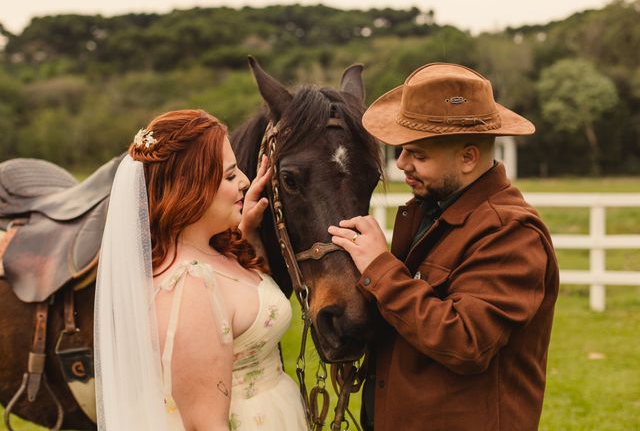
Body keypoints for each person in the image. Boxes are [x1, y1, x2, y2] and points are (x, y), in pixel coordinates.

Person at [328, 63, 559, 431]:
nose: (402, 164)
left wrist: (380, 268)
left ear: (468, 158)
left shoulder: (511, 233)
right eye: (401, 150)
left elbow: (465, 341)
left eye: (418, 154)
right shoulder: (432, 210)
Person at [94, 109, 308, 431]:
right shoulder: (188, 288)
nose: (246, 182)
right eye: (230, 175)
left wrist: (244, 231)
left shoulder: (215, 248)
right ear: (190, 189)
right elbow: (205, 424)